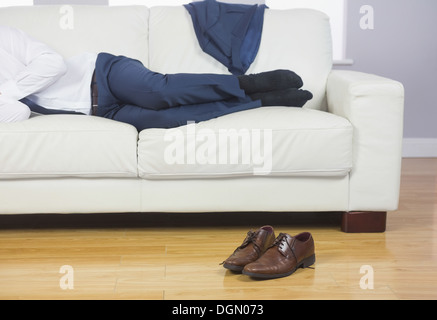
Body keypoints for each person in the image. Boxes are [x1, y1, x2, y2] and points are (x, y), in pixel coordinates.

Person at [0, 25, 313, 131]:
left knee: (156, 93)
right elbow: (20, 112)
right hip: (102, 112)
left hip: (104, 74)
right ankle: (259, 101)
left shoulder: (6, 36)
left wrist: (10, 88)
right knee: (168, 121)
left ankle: (249, 83)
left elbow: (52, 64)